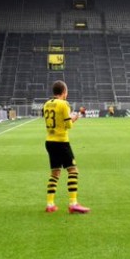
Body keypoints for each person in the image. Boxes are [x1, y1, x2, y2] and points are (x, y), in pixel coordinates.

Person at [43, 80, 90, 214]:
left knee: (55, 173)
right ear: (64, 92)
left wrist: (73, 116)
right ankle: (73, 203)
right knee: (73, 170)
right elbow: (68, 125)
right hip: (61, 141)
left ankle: (50, 203)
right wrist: (75, 117)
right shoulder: (64, 104)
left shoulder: (47, 104)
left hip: (49, 141)